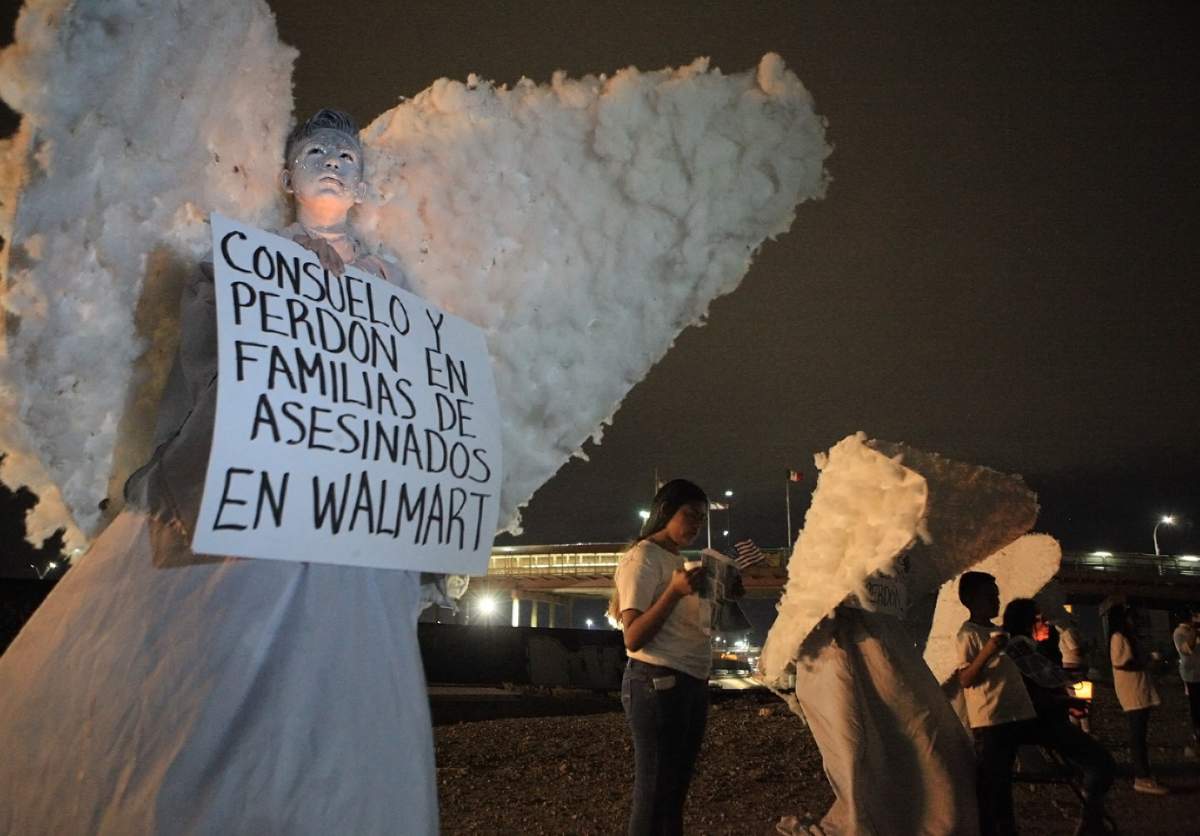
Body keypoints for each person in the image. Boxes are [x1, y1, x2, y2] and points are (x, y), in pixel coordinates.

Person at [0, 110, 453, 834]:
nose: (331, 163)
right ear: (285, 177)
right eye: (314, 153)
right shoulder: (254, 257)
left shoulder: (387, 278)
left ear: (363, 181)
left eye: (344, 154)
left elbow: (407, 400)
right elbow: (214, 361)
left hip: (344, 503)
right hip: (266, 483)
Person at [612, 478, 711, 836]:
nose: (696, 525)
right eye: (690, 515)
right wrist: (673, 591)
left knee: (672, 796)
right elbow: (634, 636)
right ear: (665, 512)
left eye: (702, 519)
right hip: (656, 684)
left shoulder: (675, 559)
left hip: (689, 682)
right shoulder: (642, 558)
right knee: (654, 797)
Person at [1002, 599, 1115, 835]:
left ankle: (1090, 819)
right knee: (1101, 763)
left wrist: (1067, 700)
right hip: (1037, 724)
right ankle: (1090, 822)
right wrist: (1069, 697)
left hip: (1035, 721)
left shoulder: (1025, 648)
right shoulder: (1019, 648)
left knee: (1092, 762)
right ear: (1027, 623)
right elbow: (1043, 683)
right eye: (1040, 619)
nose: (1046, 624)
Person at [956, 571, 1039, 836]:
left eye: (997, 595)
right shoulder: (968, 633)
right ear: (969, 600)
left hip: (1013, 716)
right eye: (989, 596)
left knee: (1003, 786)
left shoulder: (999, 631)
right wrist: (988, 652)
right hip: (990, 720)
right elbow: (965, 679)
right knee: (991, 789)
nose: (995, 600)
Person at [1108, 603, 1168, 795]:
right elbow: (1121, 663)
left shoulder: (1127, 637)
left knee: (1140, 735)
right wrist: (1148, 660)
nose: (1135, 620)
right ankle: (1141, 777)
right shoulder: (1118, 637)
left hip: (1138, 688)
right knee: (1137, 736)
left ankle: (1144, 775)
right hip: (1132, 690)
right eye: (1131, 617)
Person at [1171, 610, 1200, 756]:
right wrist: (1194, 630)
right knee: (1196, 706)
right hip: (1192, 675)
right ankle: (1197, 735)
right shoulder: (1180, 633)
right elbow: (1188, 649)